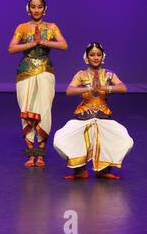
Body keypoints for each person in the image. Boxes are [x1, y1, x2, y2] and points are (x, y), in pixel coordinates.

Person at [53, 42, 133, 179]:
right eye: (92, 55)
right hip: (84, 115)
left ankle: (103, 170)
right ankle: (80, 171)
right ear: (87, 57)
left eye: (98, 55)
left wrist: (105, 88)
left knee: (124, 140)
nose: (95, 57)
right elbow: (69, 90)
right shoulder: (81, 74)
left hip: (103, 115)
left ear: (103, 57)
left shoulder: (108, 74)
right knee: (61, 139)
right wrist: (89, 89)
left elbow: (123, 88)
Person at [8, 0, 68, 167]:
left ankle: (40, 154)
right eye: (33, 6)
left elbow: (64, 45)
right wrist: (31, 44)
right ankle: (30, 154)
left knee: (44, 111)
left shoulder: (52, 27)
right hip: (25, 73)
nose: (36, 10)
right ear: (29, 9)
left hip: (45, 72)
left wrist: (43, 41)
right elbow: (11, 48)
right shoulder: (22, 27)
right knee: (26, 111)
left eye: (39, 7)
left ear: (44, 9)